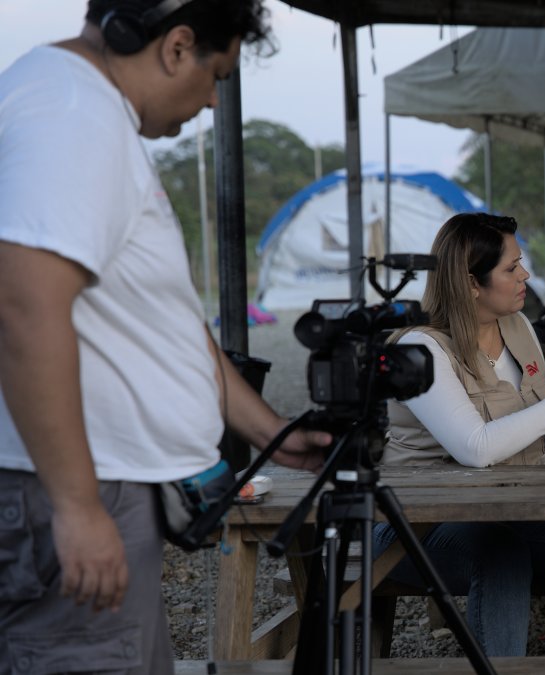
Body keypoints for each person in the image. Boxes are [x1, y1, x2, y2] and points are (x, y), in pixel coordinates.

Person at [0, 2, 331, 674]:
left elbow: (160, 318)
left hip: (107, 486)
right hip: (81, 483)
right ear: (177, 46)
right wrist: (78, 504)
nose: (213, 101)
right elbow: (23, 306)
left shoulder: (82, 109)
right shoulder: (75, 117)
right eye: (219, 74)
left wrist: (265, 425)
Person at [373, 213, 545, 656]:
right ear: (471, 283)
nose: (525, 276)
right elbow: (475, 448)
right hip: (416, 523)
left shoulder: (519, 327)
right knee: (500, 554)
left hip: (505, 511)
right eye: (511, 268)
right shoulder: (419, 349)